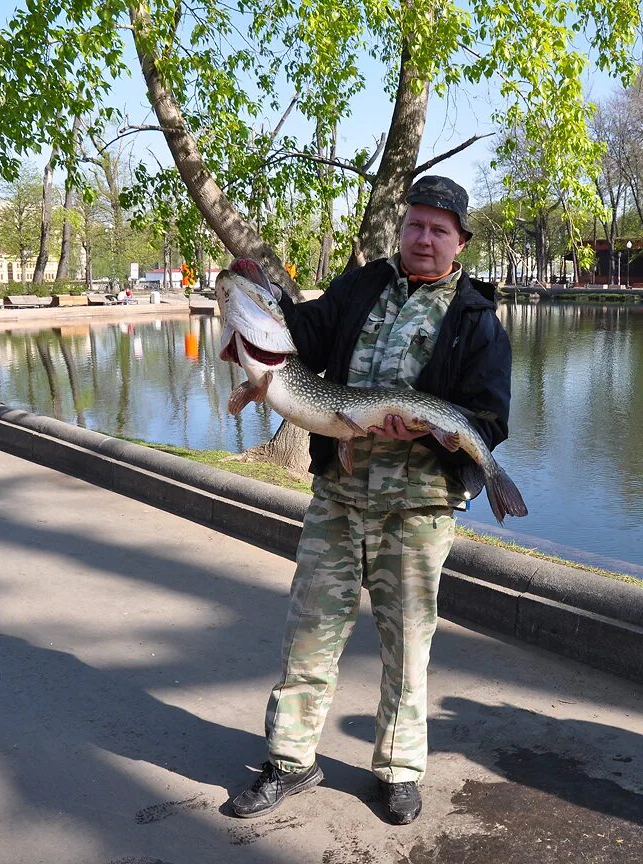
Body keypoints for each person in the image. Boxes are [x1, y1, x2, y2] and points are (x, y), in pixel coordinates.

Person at [229, 176, 513, 825]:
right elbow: (304, 331)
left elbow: (490, 419)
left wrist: (428, 431)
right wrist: (262, 298)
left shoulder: (476, 320)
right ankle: (291, 761)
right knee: (310, 634)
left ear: (460, 241)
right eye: (415, 224)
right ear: (402, 229)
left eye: (439, 229)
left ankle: (398, 770)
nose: (423, 237)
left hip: (418, 509)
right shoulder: (363, 286)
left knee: (407, 646)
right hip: (339, 495)